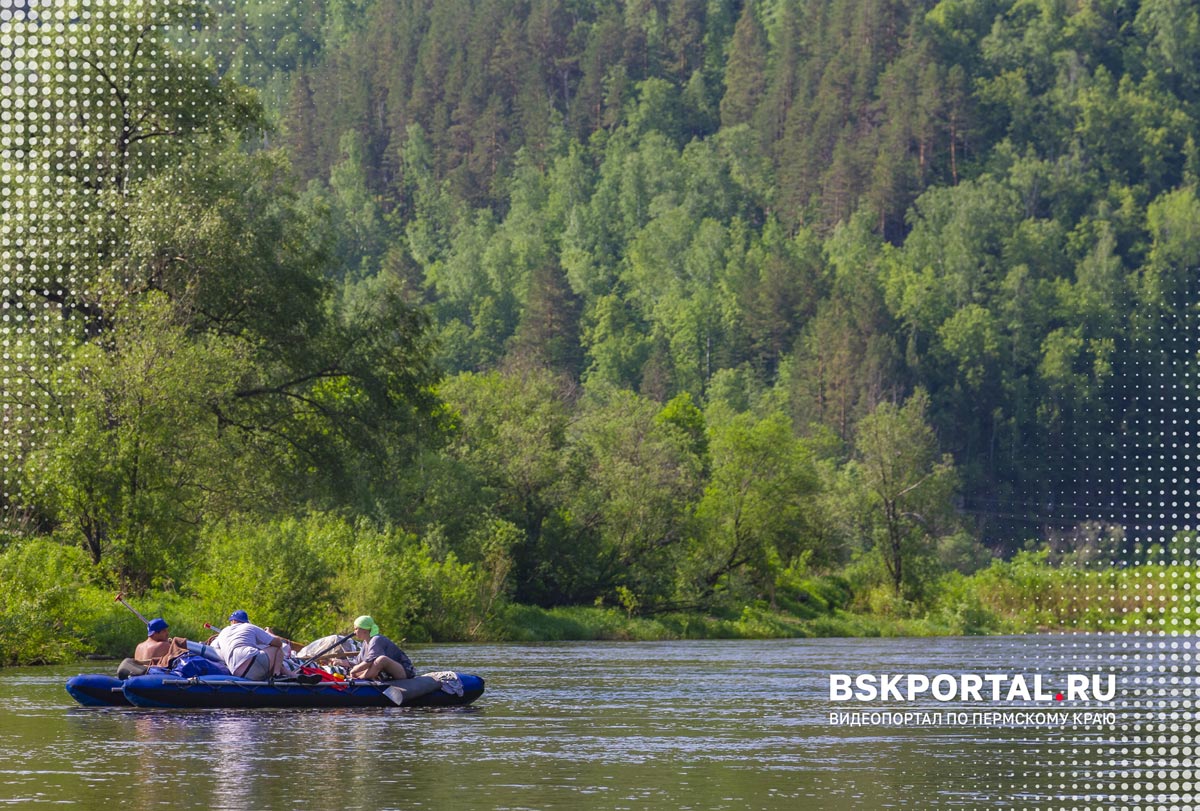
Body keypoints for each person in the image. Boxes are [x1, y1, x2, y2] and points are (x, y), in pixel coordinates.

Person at [211, 609, 294, 680]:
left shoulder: (223, 632)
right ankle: (277, 675)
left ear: (233, 621)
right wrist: (269, 634)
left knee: (266, 655)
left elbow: (213, 648)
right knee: (277, 649)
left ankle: (289, 674)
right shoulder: (250, 627)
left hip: (236, 672)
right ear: (246, 621)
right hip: (251, 663)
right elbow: (278, 643)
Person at [347, 615, 415, 681]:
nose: (354, 632)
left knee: (381, 659)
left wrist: (354, 670)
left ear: (365, 630)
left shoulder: (376, 639)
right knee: (357, 670)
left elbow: (369, 662)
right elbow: (358, 662)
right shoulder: (365, 642)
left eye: (356, 629)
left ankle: (358, 680)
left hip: (404, 671)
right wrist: (342, 662)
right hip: (386, 673)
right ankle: (357, 679)